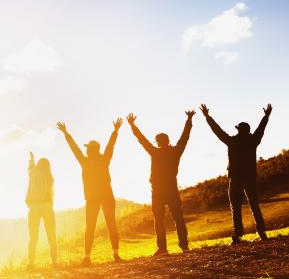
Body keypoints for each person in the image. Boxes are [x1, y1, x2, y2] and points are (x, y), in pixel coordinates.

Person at [200, 103, 273, 244]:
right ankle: (261, 232)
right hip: (251, 177)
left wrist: (208, 117)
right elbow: (261, 129)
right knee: (254, 205)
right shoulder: (253, 140)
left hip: (236, 178)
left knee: (235, 207)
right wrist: (266, 116)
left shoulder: (232, 141)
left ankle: (237, 235)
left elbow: (218, 131)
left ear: (239, 130)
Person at [127, 111, 194, 256]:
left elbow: (142, 140)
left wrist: (132, 125)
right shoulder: (176, 151)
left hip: (157, 191)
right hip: (171, 189)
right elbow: (185, 137)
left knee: (159, 220)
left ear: (157, 142)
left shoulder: (154, 152)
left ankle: (163, 248)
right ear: (168, 141)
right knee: (178, 218)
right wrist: (189, 120)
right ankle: (184, 246)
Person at [56, 119, 123, 264]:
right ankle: (116, 254)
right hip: (107, 195)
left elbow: (74, 148)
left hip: (92, 198)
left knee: (90, 227)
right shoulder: (104, 159)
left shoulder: (84, 161)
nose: (85, 149)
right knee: (112, 224)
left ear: (90, 149)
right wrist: (115, 131)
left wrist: (66, 133)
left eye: (87, 148)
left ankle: (87, 257)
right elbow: (110, 146)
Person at [26, 152, 57, 268]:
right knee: (51, 235)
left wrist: (32, 160)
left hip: (34, 206)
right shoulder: (50, 177)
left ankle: (31, 262)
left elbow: (30, 169)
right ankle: (54, 261)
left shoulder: (33, 174)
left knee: (33, 235)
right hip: (47, 206)